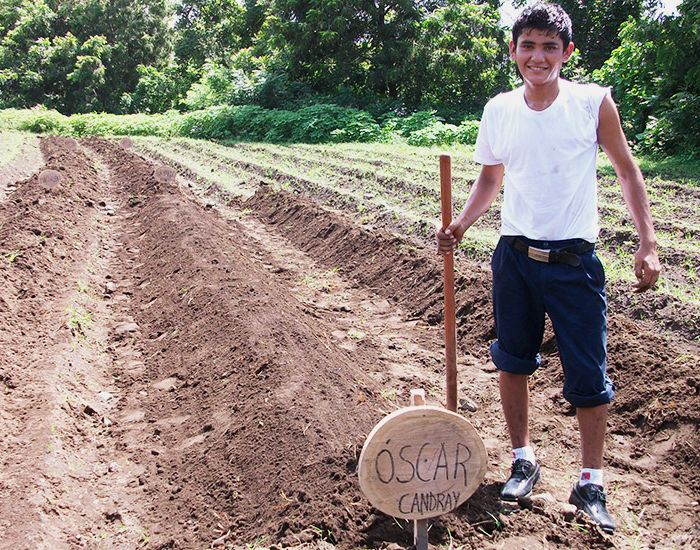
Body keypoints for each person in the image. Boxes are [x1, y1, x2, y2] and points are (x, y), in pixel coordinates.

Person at [436, 2, 660, 534]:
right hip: (514, 257)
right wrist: (462, 225)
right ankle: (523, 459)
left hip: (573, 261)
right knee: (512, 360)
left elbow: (628, 173)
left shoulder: (592, 103)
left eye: (549, 47)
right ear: (513, 51)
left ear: (567, 52)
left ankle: (590, 481)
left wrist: (648, 242)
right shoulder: (499, 109)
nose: (538, 57)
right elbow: (491, 178)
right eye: (528, 46)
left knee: (587, 372)